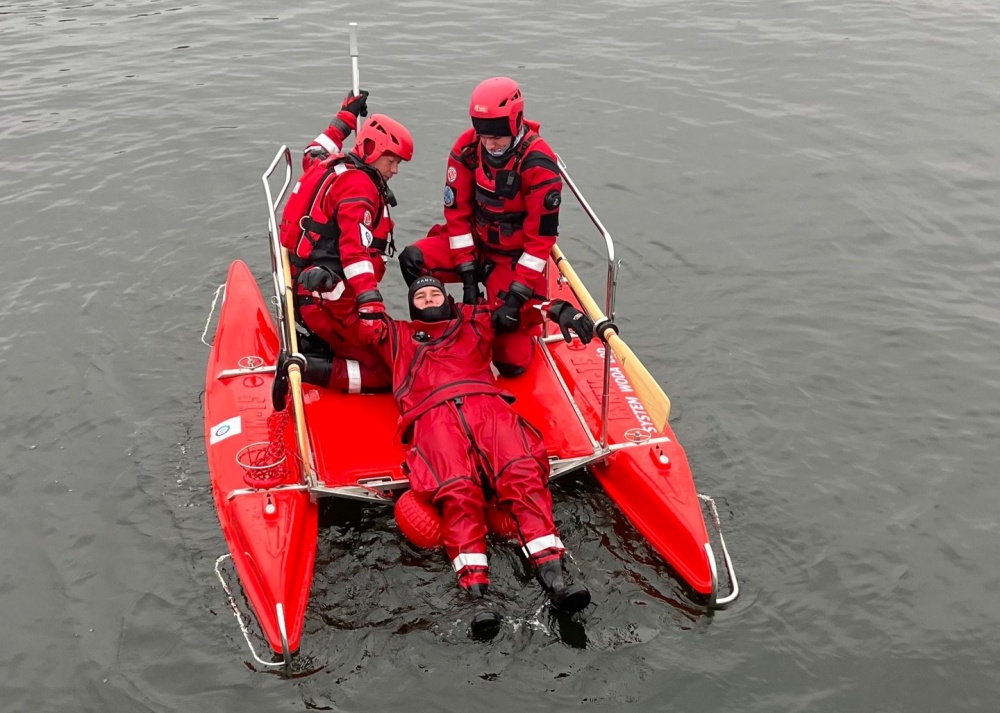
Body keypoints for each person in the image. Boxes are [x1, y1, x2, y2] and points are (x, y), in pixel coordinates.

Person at [373, 276, 596, 638]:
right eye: (420, 295)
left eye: (434, 293)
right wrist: (332, 288)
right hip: (433, 416)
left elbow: (519, 311)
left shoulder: (474, 321)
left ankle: (555, 579)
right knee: (457, 490)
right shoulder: (396, 335)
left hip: (487, 406)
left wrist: (560, 310)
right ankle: (478, 596)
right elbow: (353, 322)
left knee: (521, 473)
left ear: (446, 298)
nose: (428, 299)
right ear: (412, 306)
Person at [397, 77, 564, 378]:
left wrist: (515, 297)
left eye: (497, 137)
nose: (489, 144)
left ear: (515, 123)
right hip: (476, 244)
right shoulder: (468, 149)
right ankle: (449, 332)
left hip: (512, 260)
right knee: (414, 260)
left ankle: (497, 317)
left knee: (512, 363)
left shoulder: (538, 164)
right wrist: (468, 278)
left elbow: (540, 242)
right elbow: (457, 216)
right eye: (484, 135)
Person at [276, 90, 414, 395]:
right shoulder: (358, 189)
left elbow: (314, 149)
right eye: (391, 161)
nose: (394, 171)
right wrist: (370, 306)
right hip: (331, 301)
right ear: (373, 150)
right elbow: (354, 252)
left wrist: (345, 118)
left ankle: (314, 347)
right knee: (393, 370)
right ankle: (303, 367)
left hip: (307, 289)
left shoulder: (329, 165)